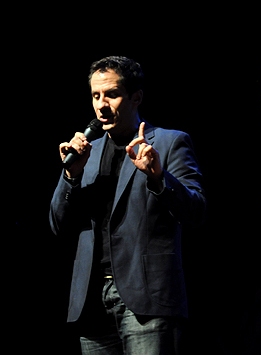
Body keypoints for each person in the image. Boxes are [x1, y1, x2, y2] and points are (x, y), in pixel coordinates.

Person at [49, 55, 207, 355]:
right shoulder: (86, 153)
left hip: (146, 300)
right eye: (96, 96)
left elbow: (196, 212)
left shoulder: (169, 143)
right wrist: (71, 174)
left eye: (111, 94)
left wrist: (159, 176)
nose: (101, 104)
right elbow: (58, 225)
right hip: (91, 302)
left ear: (136, 97)